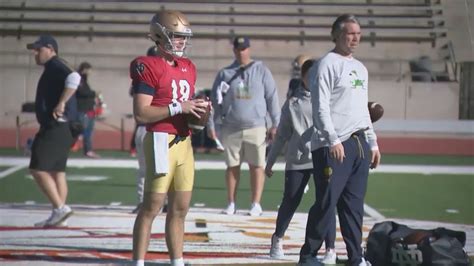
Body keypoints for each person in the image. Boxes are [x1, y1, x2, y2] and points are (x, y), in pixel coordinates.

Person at [298, 14, 381, 266]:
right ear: (336, 35)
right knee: (326, 203)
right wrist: (332, 139)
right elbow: (320, 107)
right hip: (333, 145)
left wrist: (373, 142)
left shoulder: (360, 68)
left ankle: (356, 258)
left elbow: (362, 111)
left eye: (358, 33)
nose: (355, 38)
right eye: (349, 33)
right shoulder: (326, 64)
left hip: (359, 146)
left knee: (353, 207)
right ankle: (308, 256)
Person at [130, 10, 208, 266]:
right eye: (175, 36)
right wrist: (179, 108)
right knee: (151, 206)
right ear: (159, 36)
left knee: (180, 209)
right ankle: (138, 262)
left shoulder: (188, 67)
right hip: (160, 140)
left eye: (183, 37)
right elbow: (141, 113)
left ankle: (177, 261)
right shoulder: (148, 65)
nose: (181, 42)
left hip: (184, 142)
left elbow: (188, 110)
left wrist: (200, 114)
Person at [266, 59, 337, 263]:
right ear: (303, 77)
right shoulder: (292, 103)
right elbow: (281, 136)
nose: (316, 78)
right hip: (298, 159)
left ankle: (330, 248)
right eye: (311, 74)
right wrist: (270, 162)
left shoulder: (329, 98)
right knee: (291, 199)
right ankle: (277, 238)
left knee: (326, 202)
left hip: (323, 158)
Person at [207, 36, 280, 216]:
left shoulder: (261, 70)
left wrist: (276, 123)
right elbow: (215, 101)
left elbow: (272, 97)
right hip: (231, 126)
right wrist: (211, 124)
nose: (242, 52)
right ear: (234, 50)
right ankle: (231, 202)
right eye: (238, 49)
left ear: (249, 49)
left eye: (244, 48)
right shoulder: (225, 73)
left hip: (256, 125)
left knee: (257, 165)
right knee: (232, 166)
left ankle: (256, 203)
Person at [26, 34, 81, 227]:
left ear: (50, 49)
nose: (35, 53)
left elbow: (75, 77)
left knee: (37, 168)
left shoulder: (56, 65)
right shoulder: (52, 68)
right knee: (58, 171)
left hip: (55, 125)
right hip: (62, 127)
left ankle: (60, 209)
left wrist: (61, 103)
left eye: (38, 49)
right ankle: (59, 215)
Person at [75, 61, 100, 158]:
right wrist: (94, 93)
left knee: (88, 131)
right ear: (84, 69)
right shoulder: (79, 79)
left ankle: (88, 150)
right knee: (81, 130)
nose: (90, 72)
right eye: (89, 70)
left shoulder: (84, 81)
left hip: (89, 109)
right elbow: (82, 92)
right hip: (82, 109)